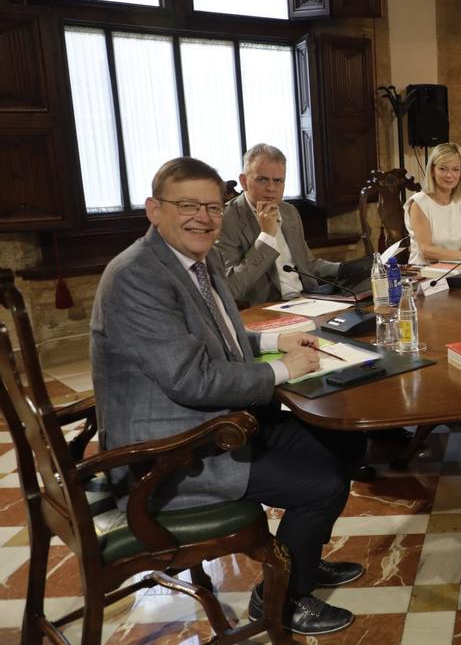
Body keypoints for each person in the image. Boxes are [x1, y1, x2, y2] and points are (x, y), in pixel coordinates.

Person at [92, 157, 364, 635]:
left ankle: (302, 556)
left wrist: (276, 342)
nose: (203, 217)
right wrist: (283, 370)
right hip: (173, 452)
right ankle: (281, 599)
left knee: (345, 442)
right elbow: (191, 379)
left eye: (214, 207)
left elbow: (222, 334)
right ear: (154, 209)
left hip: (221, 422)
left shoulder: (201, 256)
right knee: (322, 483)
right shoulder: (135, 276)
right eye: (188, 205)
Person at [215, 144, 344, 305]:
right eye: (262, 180)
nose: (271, 188)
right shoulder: (225, 220)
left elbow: (307, 265)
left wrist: (348, 269)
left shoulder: (289, 211)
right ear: (243, 181)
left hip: (308, 300)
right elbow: (233, 287)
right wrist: (266, 237)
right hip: (265, 310)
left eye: (278, 181)